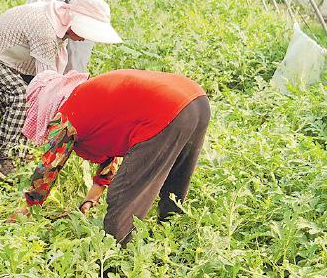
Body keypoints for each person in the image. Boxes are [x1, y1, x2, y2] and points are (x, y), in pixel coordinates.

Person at [15, 69, 210, 244]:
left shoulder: (69, 113)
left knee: (124, 194)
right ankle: (172, 239)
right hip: (196, 99)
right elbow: (109, 146)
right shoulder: (90, 97)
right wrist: (92, 198)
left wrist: (29, 207)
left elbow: (50, 166)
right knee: (176, 180)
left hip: (168, 109)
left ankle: (116, 256)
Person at [0, 0, 120, 180]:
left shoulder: (60, 19)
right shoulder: (46, 30)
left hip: (13, 62)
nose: (84, 39)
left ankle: (17, 150)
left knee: (21, 102)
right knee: (21, 97)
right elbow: (45, 83)